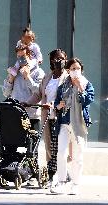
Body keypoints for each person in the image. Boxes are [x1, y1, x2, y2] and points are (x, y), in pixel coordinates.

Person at [51, 58, 94, 195]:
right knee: (61, 153)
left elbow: (88, 100)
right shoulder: (62, 86)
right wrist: (58, 106)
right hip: (64, 122)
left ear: (81, 70)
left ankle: (76, 183)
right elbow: (56, 104)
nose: (75, 71)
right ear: (68, 71)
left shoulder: (86, 84)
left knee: (78, 155)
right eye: (73, 69)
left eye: (78, 69)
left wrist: (80, 86)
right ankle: (61, 181)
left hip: (78, 123)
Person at [26, 48, 69, 186]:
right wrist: (27, 103)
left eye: (62, 58)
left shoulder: (68, 78)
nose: (59, 61)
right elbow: (38, 94)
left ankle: (59, 175)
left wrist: (54, 105)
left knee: (60, 148)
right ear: (51, 61)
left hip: (61, 117)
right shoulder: (47, 77)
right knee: (50, 147)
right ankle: (54, 175)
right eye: (56, 59)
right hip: (47, 117)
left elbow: (69, 97)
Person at [3, 44, 45, 135]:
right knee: (11, 145)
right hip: (15, 114)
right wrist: (10, 79)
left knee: (32, 147)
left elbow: (38, 92)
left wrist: (27, 77)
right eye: (18, 56)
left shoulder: (38, 72)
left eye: (23, 56)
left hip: (32, 116)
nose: (21, 59)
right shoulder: (15, 71)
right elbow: (6, 93)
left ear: (29, 55)